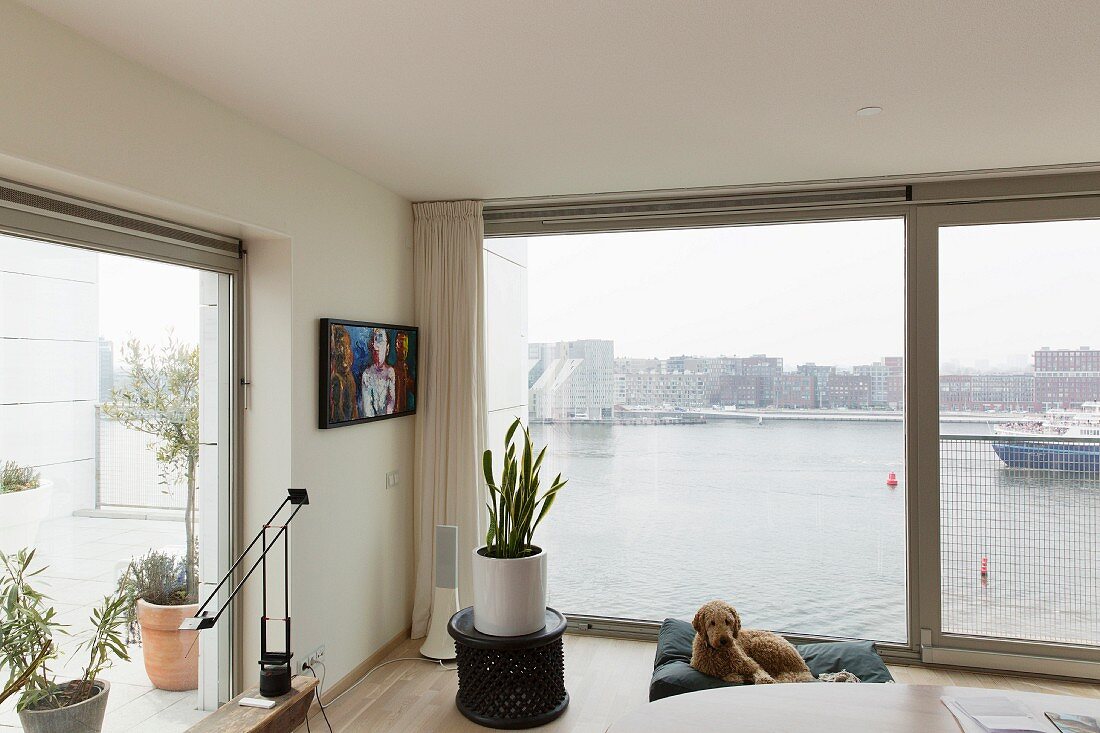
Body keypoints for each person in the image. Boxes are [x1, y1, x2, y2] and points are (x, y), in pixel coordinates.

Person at [360, 327, 396, 417]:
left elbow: (391, 402)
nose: (377, 346)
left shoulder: (390, 372)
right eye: (375, 340)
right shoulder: (367, 374)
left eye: (381, 341)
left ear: (387, 348)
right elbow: (367, 409)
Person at [328, 325, 359, 422]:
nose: (345, 353)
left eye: (347, 347)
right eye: (340, 347)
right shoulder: (336, 380)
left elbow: (354, 413)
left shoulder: (350, 379)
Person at [393, 331, 414, 412]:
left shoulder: (408, 372)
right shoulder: (392, 371)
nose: (403, 347)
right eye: (400, 342)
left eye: (405, 343)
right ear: (396, 346)